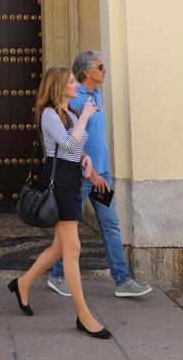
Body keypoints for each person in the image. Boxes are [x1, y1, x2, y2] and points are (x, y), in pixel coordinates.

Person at [7, 67, 112, 340]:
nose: (76, 85)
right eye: (72, 81)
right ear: (58, 87)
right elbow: (65, 144)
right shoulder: (49, 115)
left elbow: (75, 149)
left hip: (72, 179)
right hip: (59, 181)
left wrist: (85, 158)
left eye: (76, 81)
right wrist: (86, 117)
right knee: (73, 248)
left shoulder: (72, 114)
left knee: (59, 247)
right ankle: (83, 314)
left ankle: (23, 283)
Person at [47, 51, 153, 298]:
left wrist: (100, 172)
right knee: (69, 226)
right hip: (82, 175)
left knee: (111, 225)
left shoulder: (98, 96)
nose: (105, 70)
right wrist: (91, 172)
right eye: (101, 67)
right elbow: (72, 140)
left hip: (101, 174)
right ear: (87, 73)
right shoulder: (74, 99)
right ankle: (57, 274)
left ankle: (123, 280)